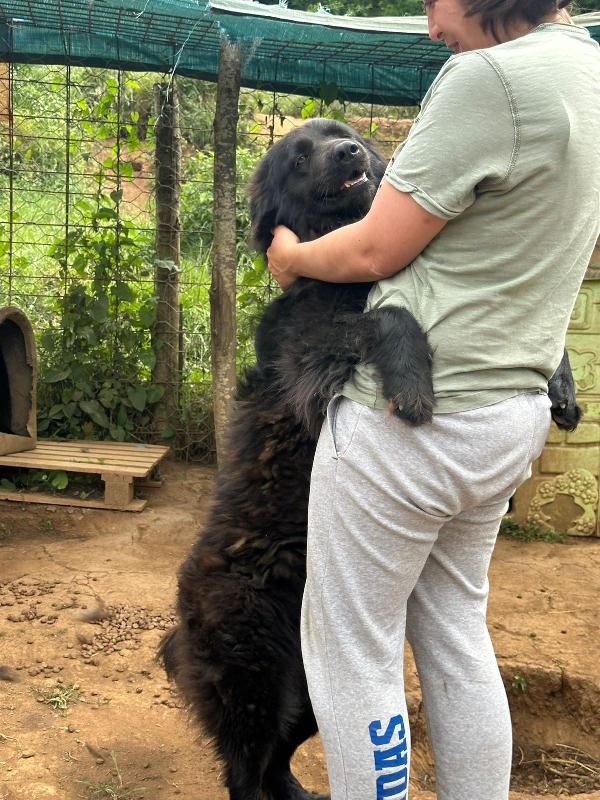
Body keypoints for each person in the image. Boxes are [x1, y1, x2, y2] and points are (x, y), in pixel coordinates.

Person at [266, 2, 600, 799]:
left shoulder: (487, 78)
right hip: (509, 415)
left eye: (432, 1)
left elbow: (380, 244)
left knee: (354, 649)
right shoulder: (587, 69)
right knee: (454, 633)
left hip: (413, 423)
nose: (427, 24)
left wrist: (292, 256)